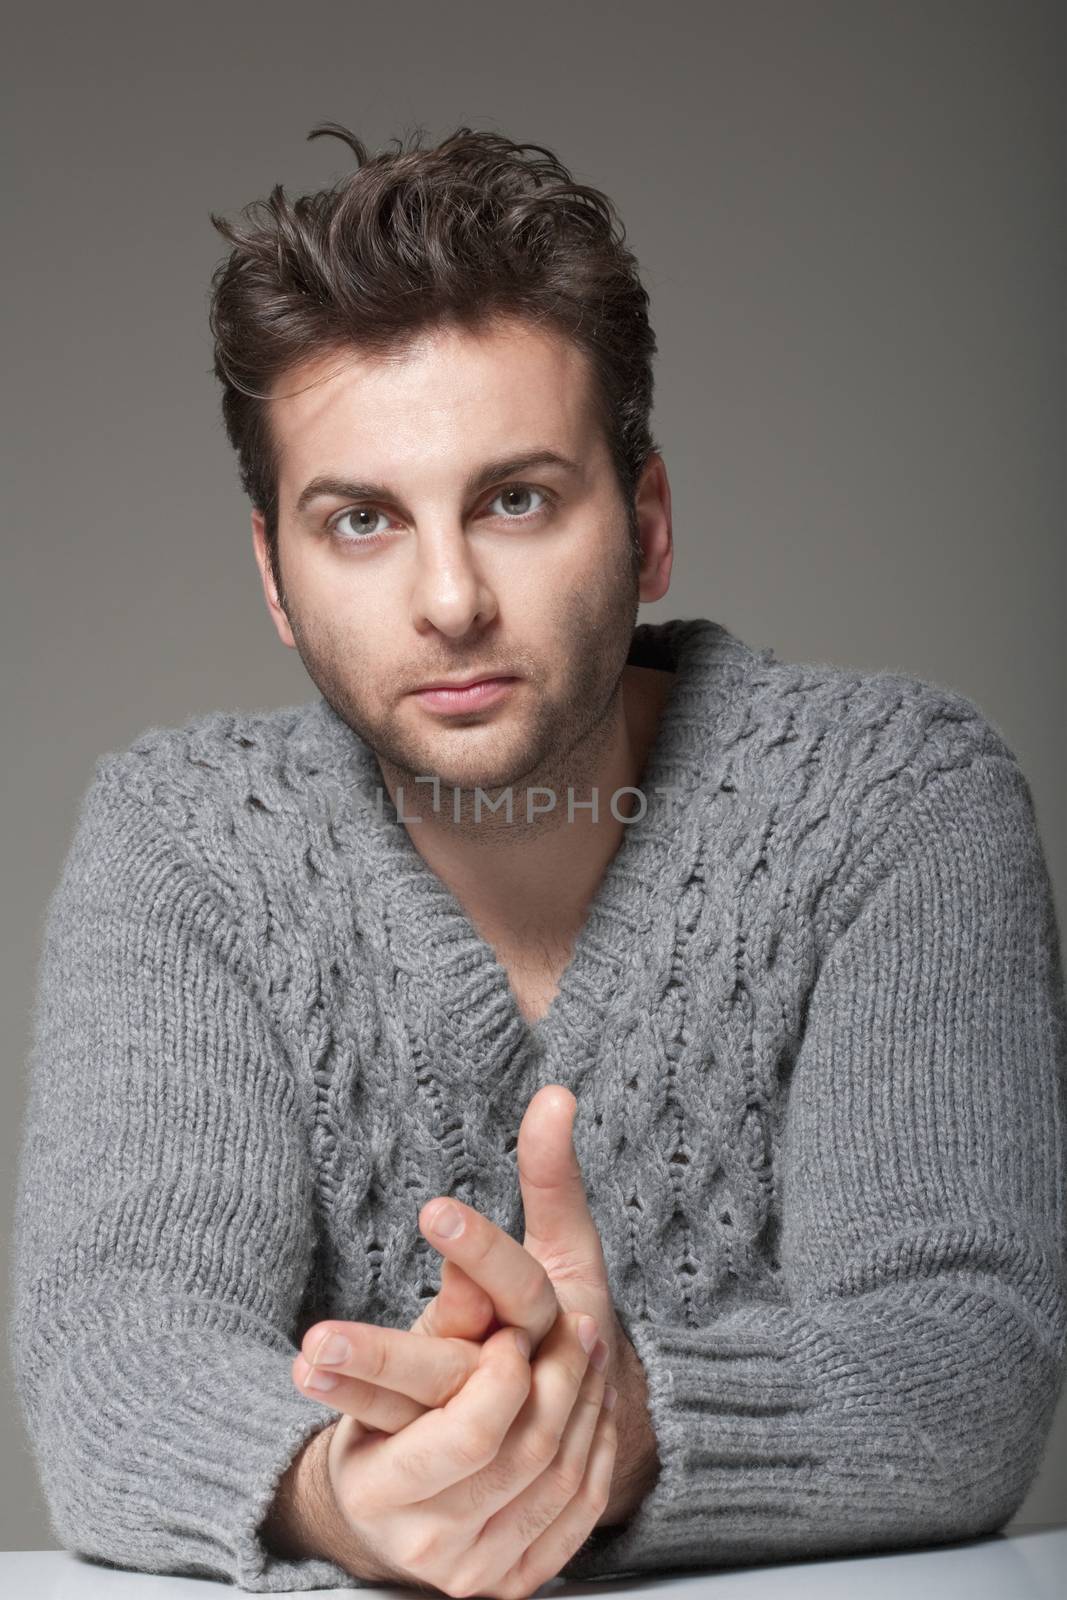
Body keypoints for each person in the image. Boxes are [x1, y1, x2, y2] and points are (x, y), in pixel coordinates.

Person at [9, 122, 1066, 1599]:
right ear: (274, 577)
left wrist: (615, 1427)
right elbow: (117, 1345)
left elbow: (965, 1353)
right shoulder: (184, 843)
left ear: (646, 519)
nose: (448, 600)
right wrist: (346, 1494)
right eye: (361, 521)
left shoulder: (896, 804)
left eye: (516, 500)